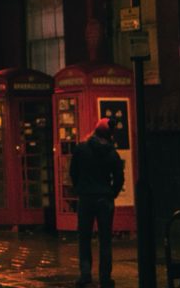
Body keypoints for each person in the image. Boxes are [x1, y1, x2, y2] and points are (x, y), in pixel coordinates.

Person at [70, 118, 124, 288]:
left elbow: (73, 172)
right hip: (104, 199)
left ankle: (85, 274)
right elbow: (119, 179)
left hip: (86, 197)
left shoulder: (81, 149)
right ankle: (105, 277)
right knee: (105, 239)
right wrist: (111, 193)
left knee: (84, 237)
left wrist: (81, 188)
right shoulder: (112, 153)